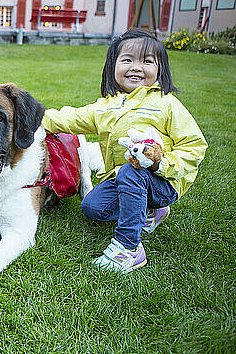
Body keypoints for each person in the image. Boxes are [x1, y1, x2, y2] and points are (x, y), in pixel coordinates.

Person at [41, 29, 207, 273]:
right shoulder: (105, 107)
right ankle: (151, 210)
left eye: (147, 61)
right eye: (127, 59)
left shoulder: (167, 103)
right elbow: (70, 118)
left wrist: (162, 164)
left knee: (132, 172)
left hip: (163, 180)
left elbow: (195, 145)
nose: (137, 67)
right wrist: (32, 117)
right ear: (112, 66)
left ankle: (129, 248)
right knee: (92, 207)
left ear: (160, 68)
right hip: (122, 178)